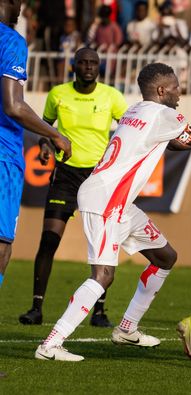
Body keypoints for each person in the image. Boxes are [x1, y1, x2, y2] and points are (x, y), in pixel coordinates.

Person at [34, 62, 191, 362]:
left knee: (165, 257)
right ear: (161, 90)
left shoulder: (137, 110)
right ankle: (51, 344)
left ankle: (127, 328)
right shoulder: (164, 113)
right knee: (103, 275)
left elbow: (174, 144)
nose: (179, 92)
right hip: (107, 199)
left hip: (116, 200)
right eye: (175, 87)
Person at [18, 48, 128, 327]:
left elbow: (129, 129)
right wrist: (45, 145)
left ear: (99, 68)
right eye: (83, 62)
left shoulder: (112, 96)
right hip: (64, 175)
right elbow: (46, 127)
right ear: (74, 66)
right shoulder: (58, 94)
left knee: (102, 243)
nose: (88, 66)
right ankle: (36, 308)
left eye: (93, 63)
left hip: (99, 177)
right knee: (49, 240)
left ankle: (99, 311)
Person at [0, 0, 71, 291]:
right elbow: (14, 106)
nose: (22, 9)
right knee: (2, 244)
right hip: (3, 155)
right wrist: (54, 135)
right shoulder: (11, 41)